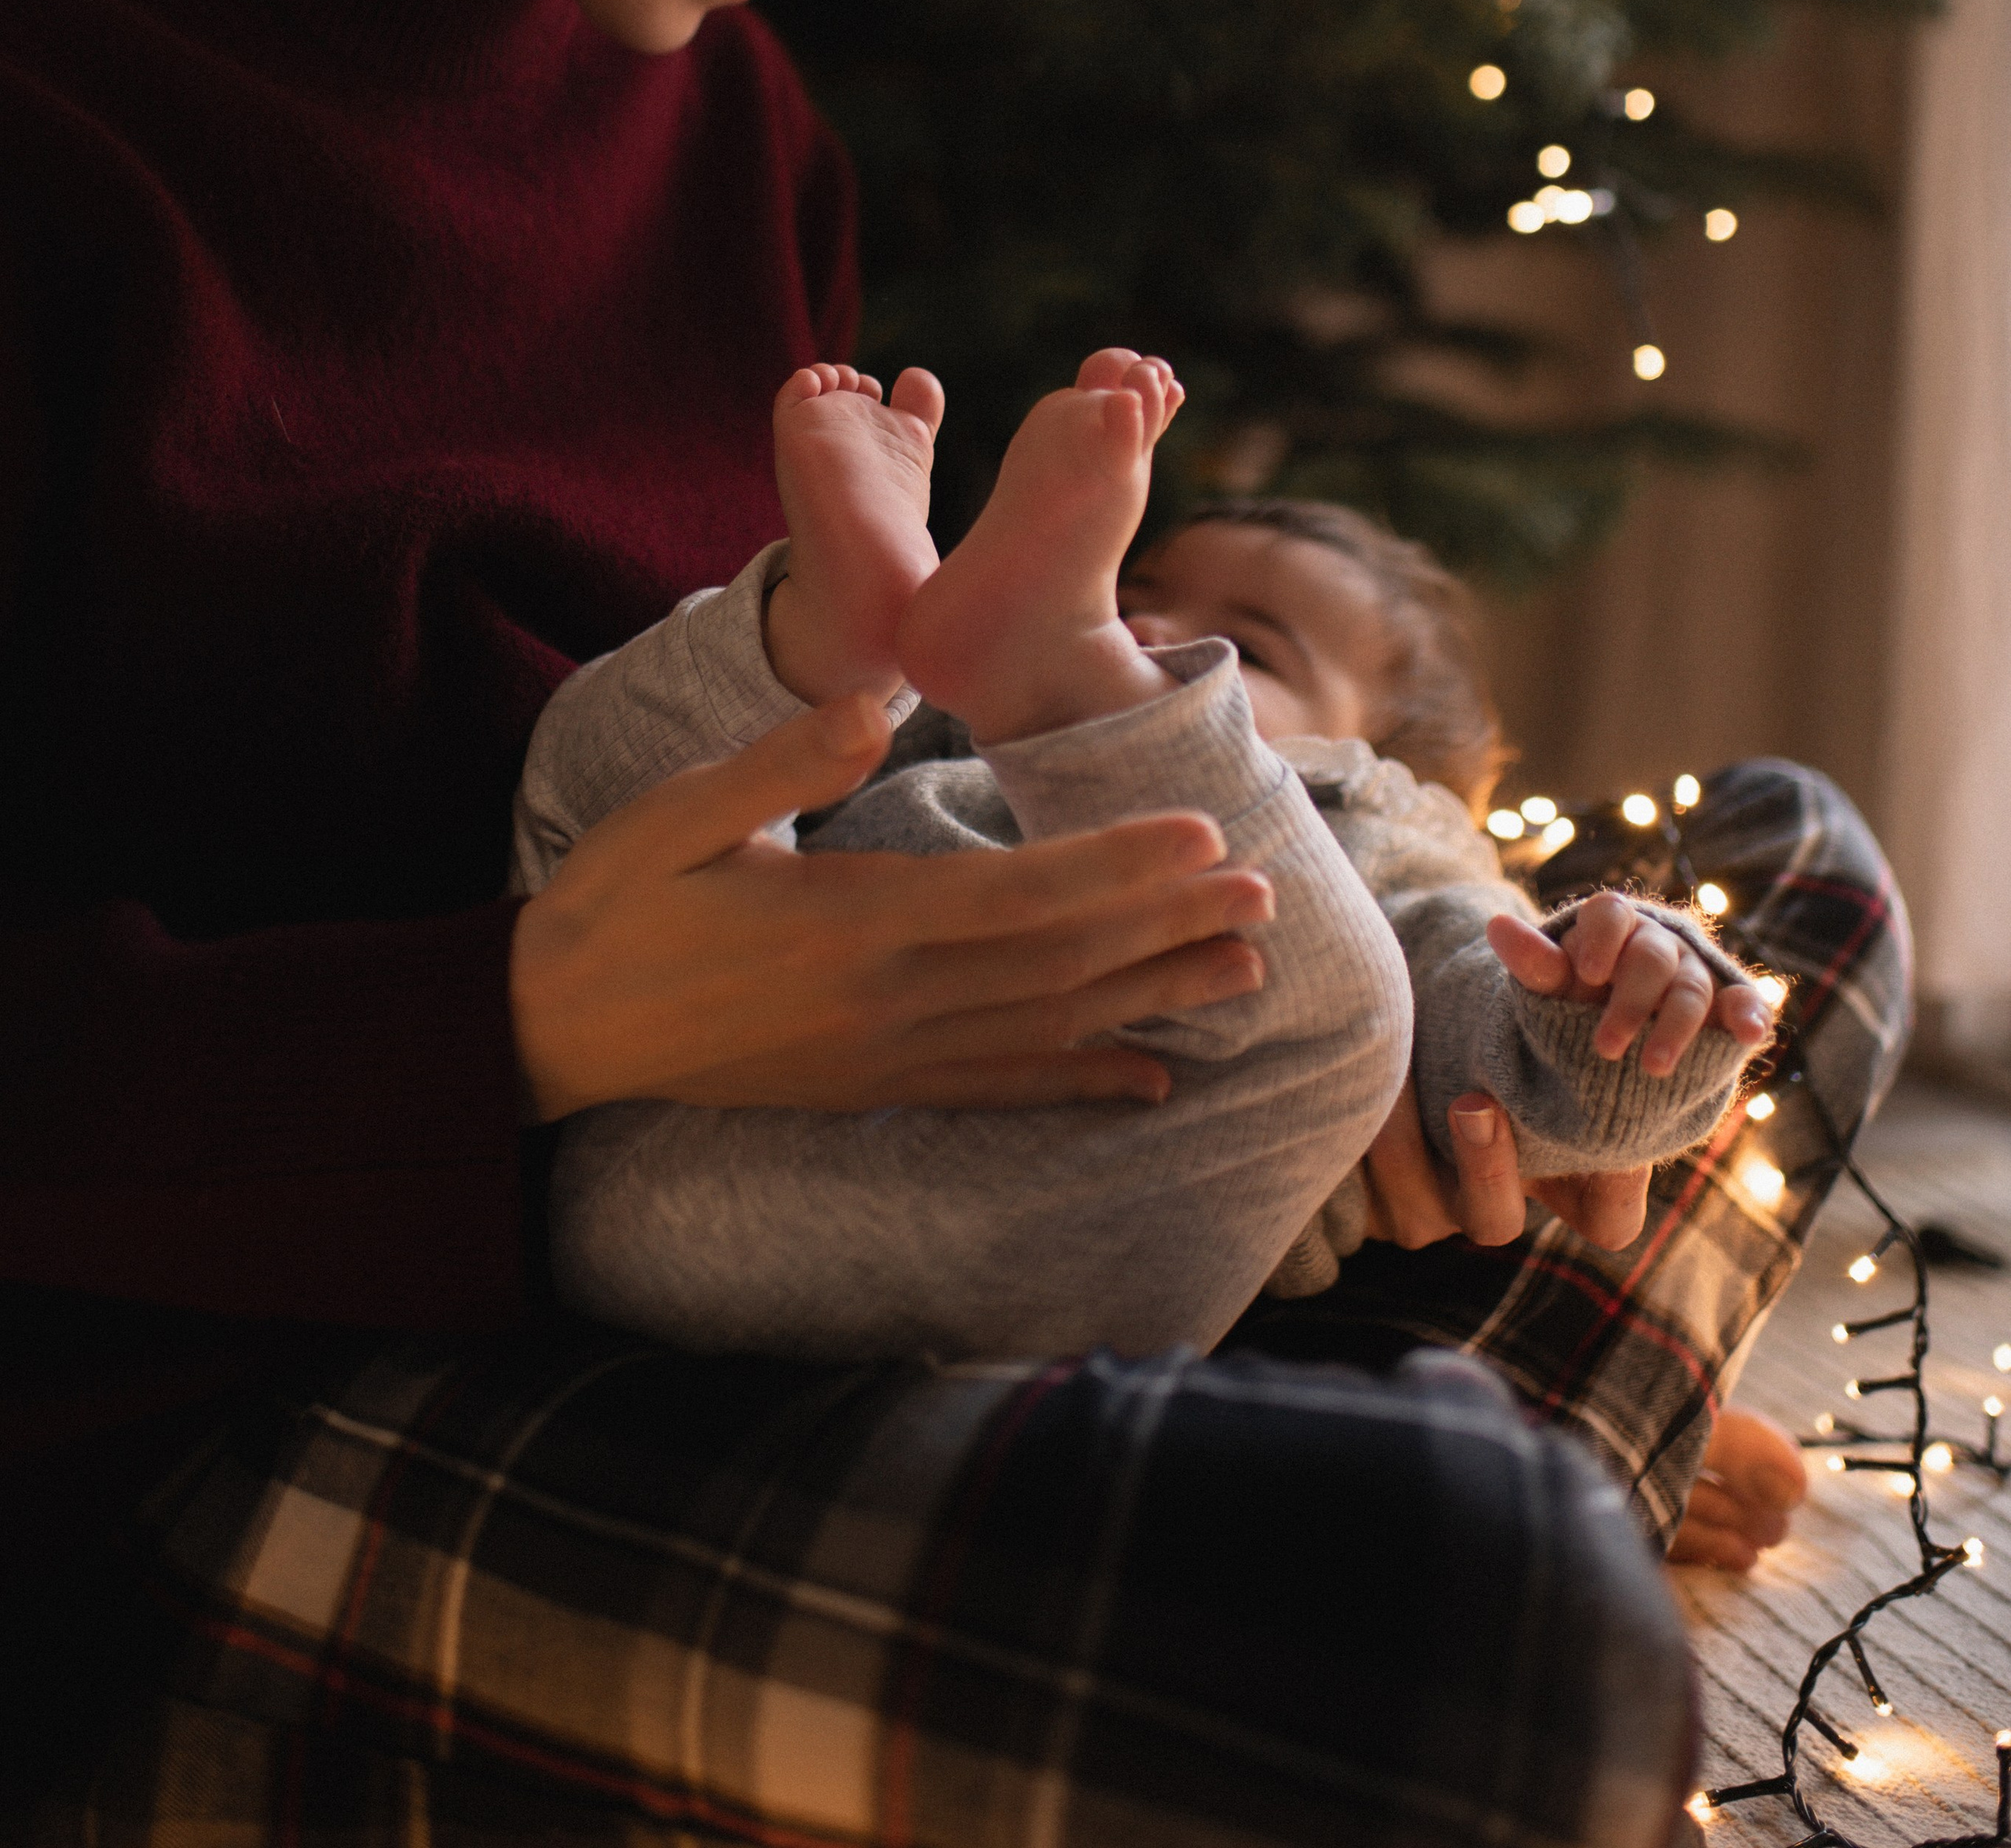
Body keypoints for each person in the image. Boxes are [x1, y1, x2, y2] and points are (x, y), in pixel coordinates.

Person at [3, 0, 1710, 1848]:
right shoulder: (47, 87)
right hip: (210, 1411)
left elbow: (857, 747)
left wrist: (1308, 1006)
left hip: (764, 1260)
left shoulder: (741, 128)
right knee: (1490, 1608)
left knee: (1762, 899)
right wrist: (511, 1029)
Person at [515, 349, 1773, 1374]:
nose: (1158, 630)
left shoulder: (1377, 826)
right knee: (618, 776)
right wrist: (830, 682)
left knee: (1347, 1016)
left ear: (1389, 769)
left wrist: (1623, 1015)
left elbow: (1506, 1058)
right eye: (1136, 589)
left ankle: (979, 663)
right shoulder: (948, 723)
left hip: (985, 1229)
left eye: (1251, 651)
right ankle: (820, 629)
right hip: (636, 1095)